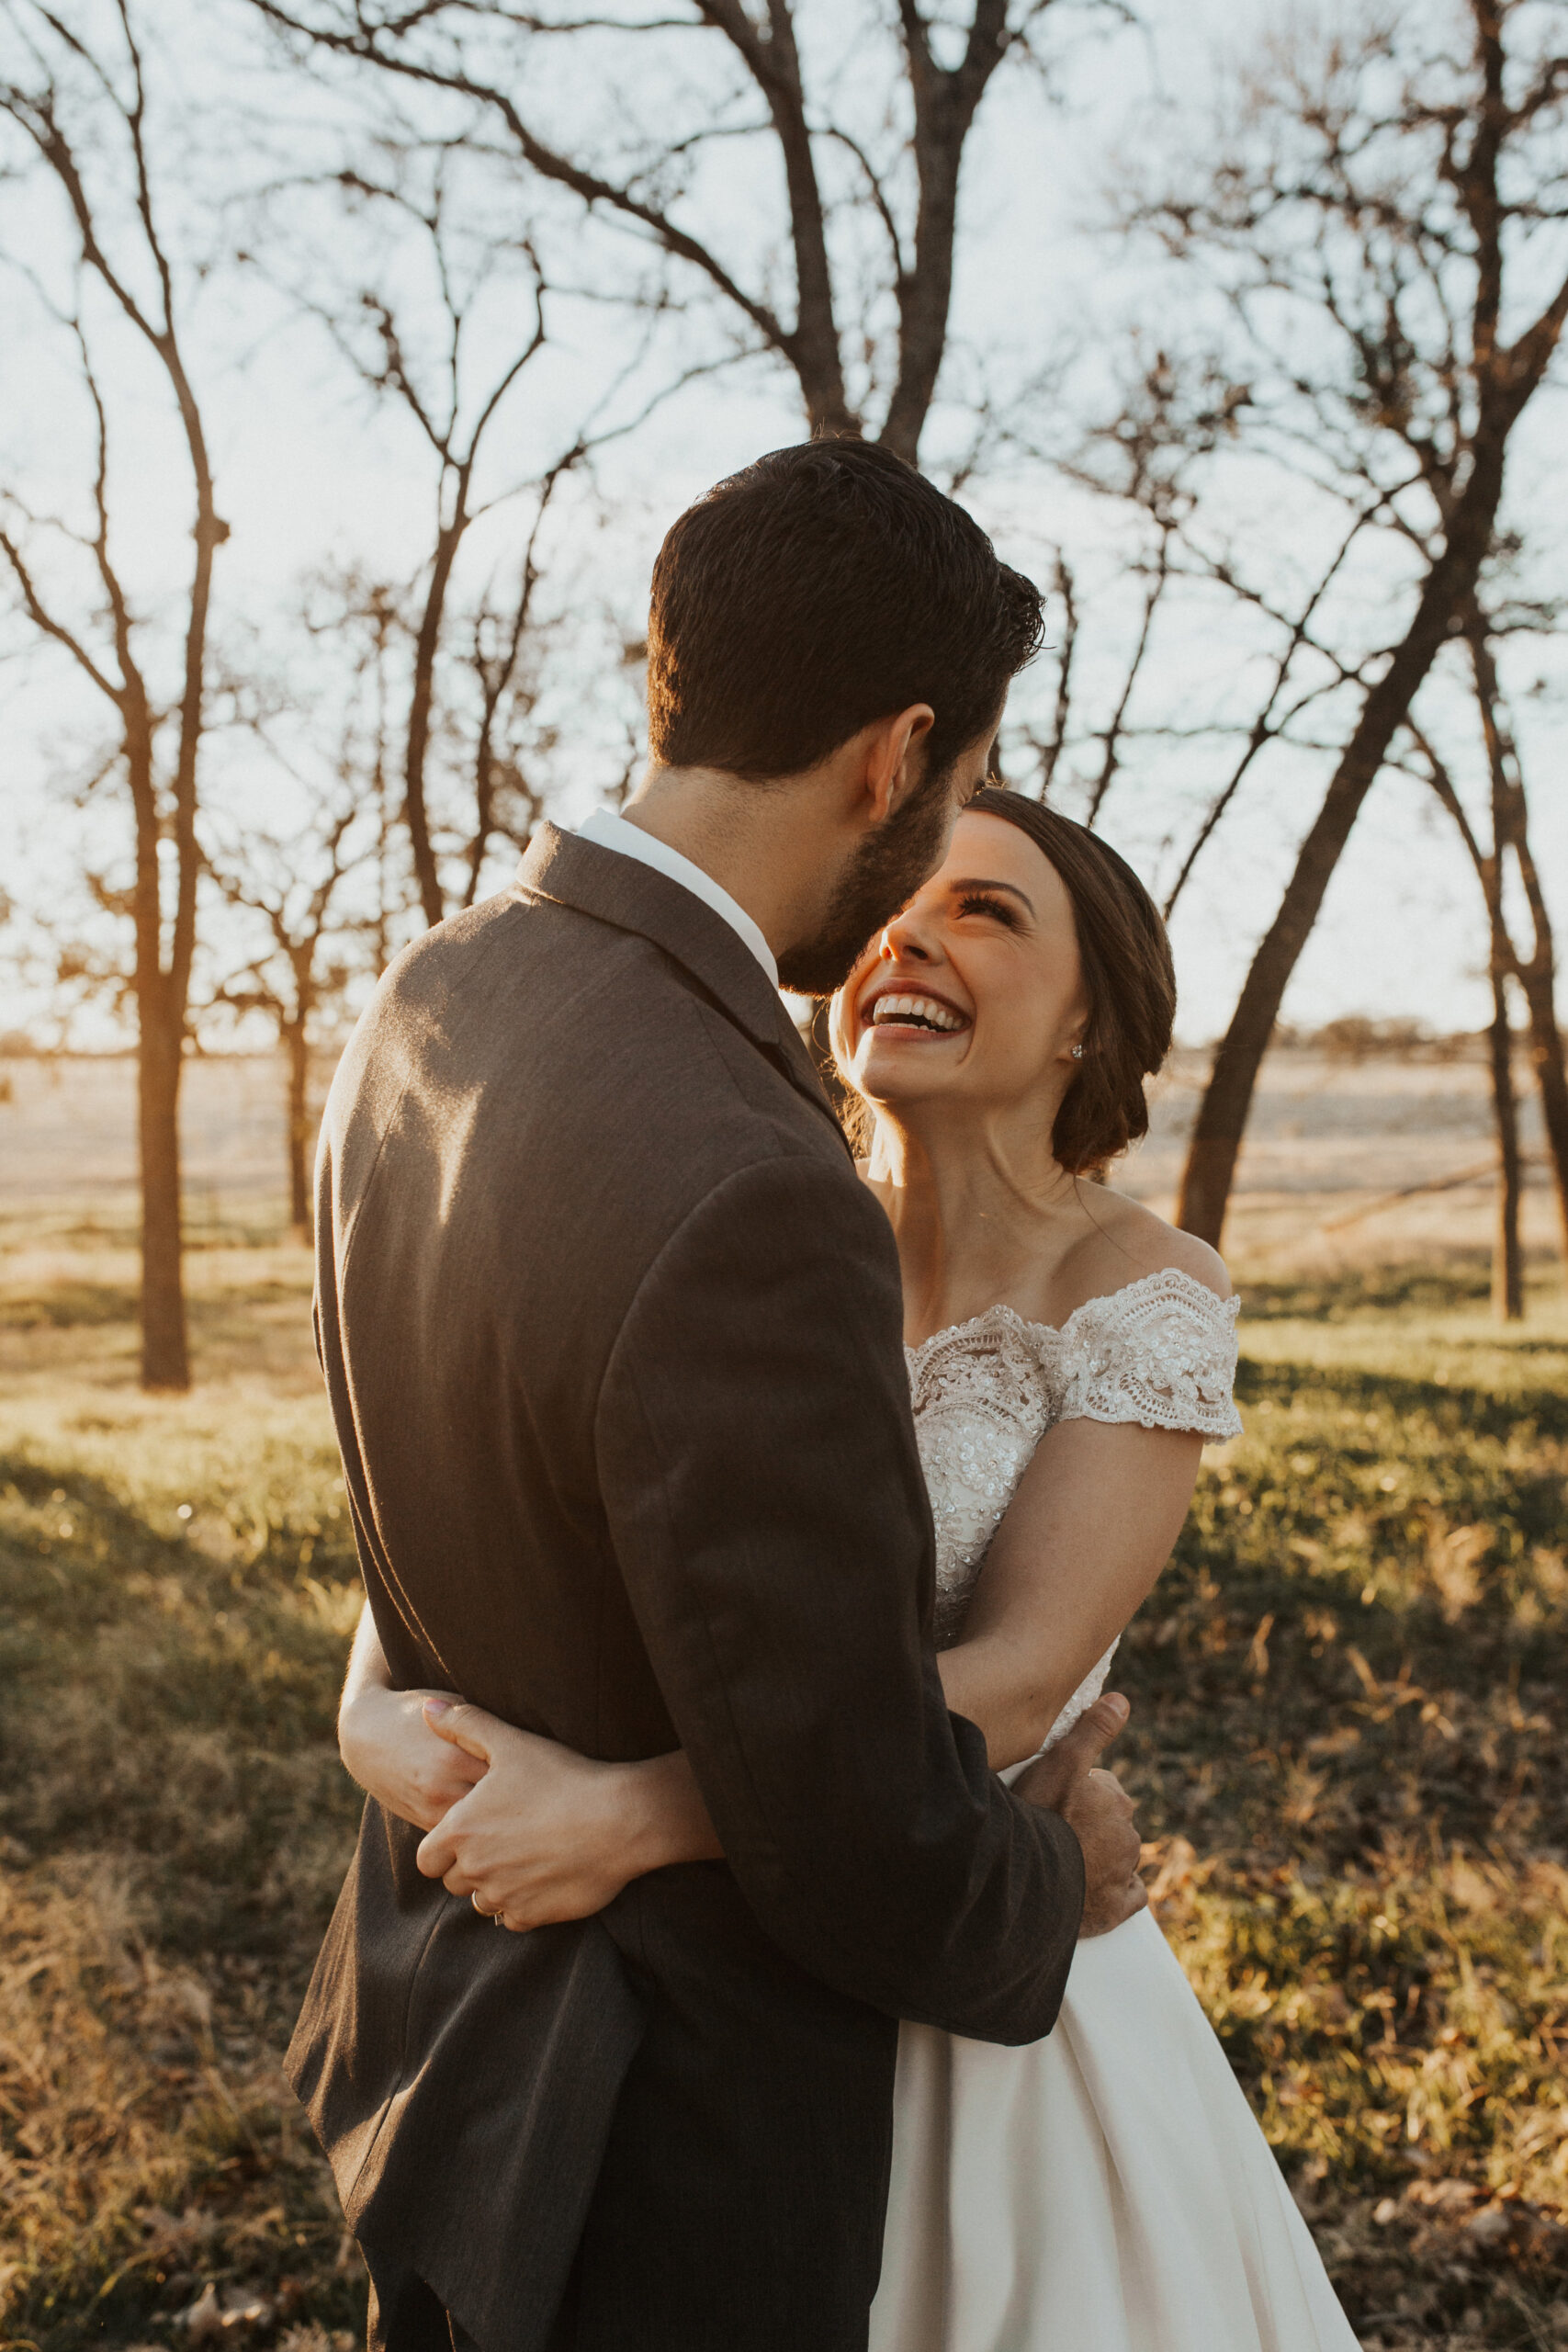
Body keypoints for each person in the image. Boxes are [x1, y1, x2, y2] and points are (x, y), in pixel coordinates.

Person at [288, 439, 1147, 2352]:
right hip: (653, 2144)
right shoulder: (756, 1179)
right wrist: (1047, 1878)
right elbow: (839, 1806)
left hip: (441, 2045)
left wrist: (382, 1713)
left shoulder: (422, 994)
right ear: (890, 752)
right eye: (954, 796)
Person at [344, 790, 1363, 2352]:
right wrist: (385, 1731)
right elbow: (461, 1546)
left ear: (1097, 1014)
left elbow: (1023, 1673)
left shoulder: (1143, 1287)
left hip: (978, 1965)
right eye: (905, 902)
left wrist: (627, 1816)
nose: (912, 936)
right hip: (698, 2007)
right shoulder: (744, 1227)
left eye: (989, 913)